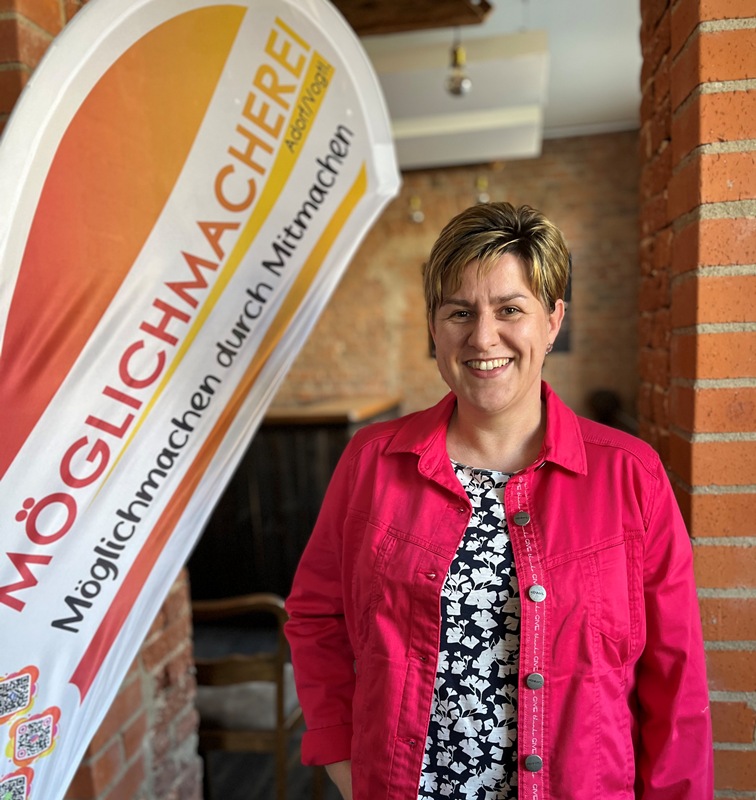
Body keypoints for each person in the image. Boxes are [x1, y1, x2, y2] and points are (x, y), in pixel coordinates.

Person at [284, 202, 713, 799]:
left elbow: (676, 678)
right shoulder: (372, 462)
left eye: (510, 309)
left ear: (553, 320)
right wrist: (339, 753)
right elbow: (316, 615)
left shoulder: (631, 475)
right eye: (460, 312)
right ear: (434, 327)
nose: (483, 337)